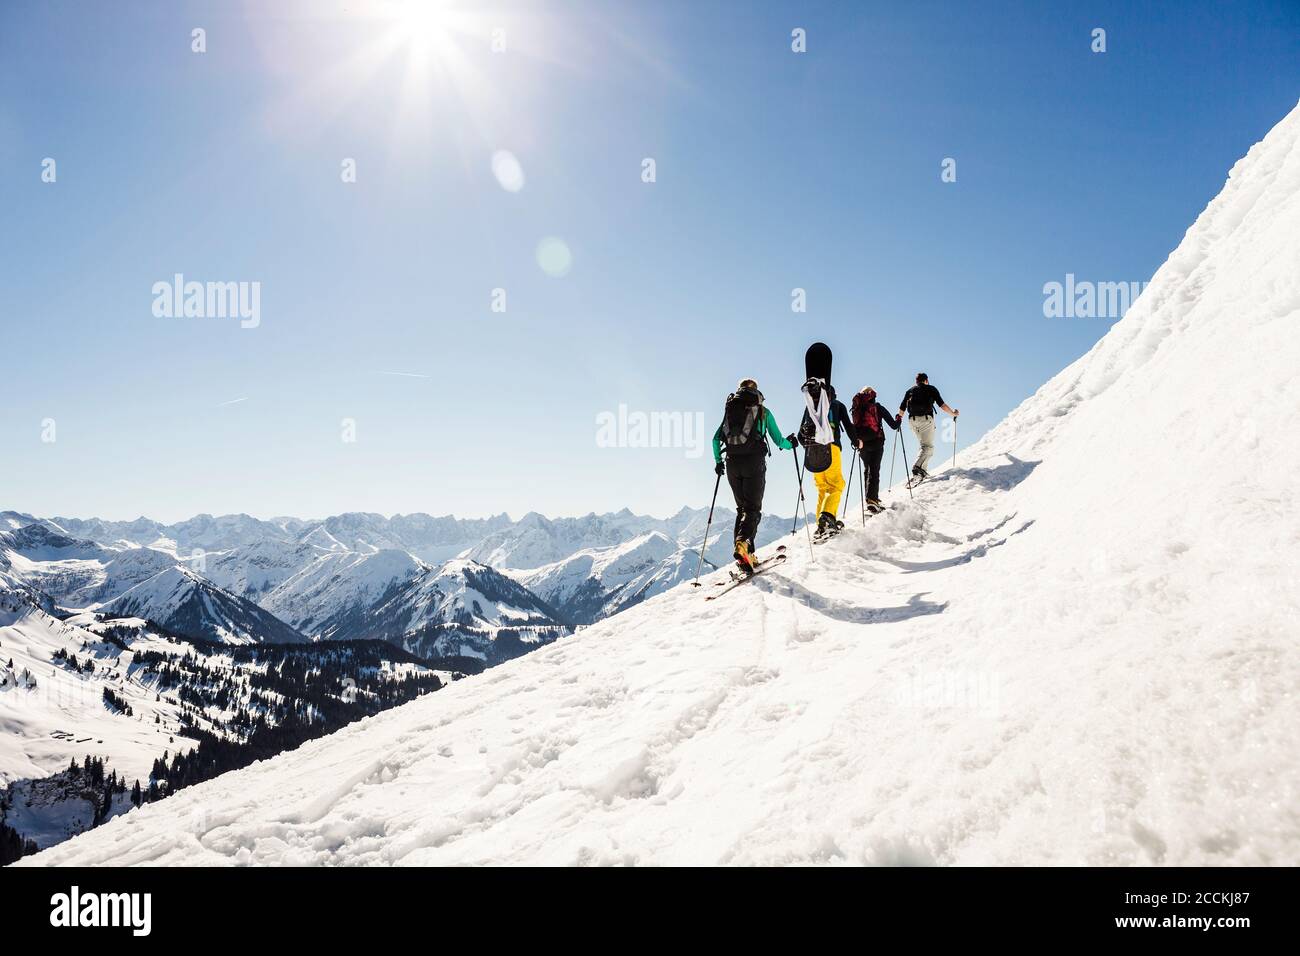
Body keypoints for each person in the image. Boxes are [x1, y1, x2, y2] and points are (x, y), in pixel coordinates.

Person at [712, 379, 795, 572]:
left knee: (742, 509)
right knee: (753, 509)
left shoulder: (730, 410)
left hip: (732, 464)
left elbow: (716, 439)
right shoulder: (763, 411)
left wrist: (718, 462)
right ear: (756, 391)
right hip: (754, 463)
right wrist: (791, 444)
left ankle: (745, 555)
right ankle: (743, 544)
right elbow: (778, 440)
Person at [799, 379, 858, 536]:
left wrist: (810, 447)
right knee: (837, 484)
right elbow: (848, 426)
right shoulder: (837, 405)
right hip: (831, 447)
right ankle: (827, 518)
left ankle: (821, 523)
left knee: (822, 488)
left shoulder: (810, 407)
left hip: (813, 451)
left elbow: (800, 435)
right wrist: (857, 442)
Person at [897, 372, 958, 481]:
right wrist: (953, 413)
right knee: (928, 447)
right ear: (926, 380)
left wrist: (898, 420)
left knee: (923, 446)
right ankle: (917, 467)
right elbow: (942, 405)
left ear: (916, 381)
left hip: (912, 421)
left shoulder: (910, 391)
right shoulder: (931, 389)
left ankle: (922, 473)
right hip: (925, 420)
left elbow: (902, 408)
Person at [850, 387, 901, 512]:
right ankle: (872, 499)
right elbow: (894, 426)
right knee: (874, 469)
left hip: (862, 442)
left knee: (867, 469)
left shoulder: (857, 408)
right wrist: (898, 419)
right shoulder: (878, 407)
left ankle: (870, 499)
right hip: (876, 441)